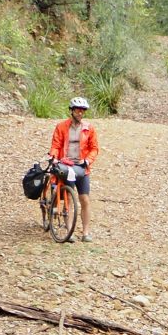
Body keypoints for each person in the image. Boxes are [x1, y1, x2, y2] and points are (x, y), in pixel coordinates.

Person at [49, 96, 100, 241]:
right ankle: (69, 231)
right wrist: (54, 157)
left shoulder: (89, 128)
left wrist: (87, 160)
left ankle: (86, 233)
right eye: (78, 110)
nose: (80, 113)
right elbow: (56, 145)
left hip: (82, 167)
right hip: (66, 166)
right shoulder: (61, 127)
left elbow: (94, 148)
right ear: (71, 110)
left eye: (83, 110)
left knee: (85, 199)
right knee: (69, 199)